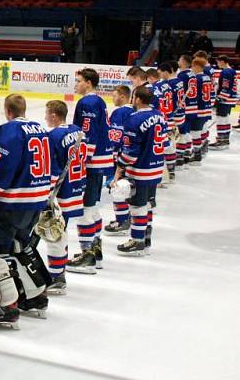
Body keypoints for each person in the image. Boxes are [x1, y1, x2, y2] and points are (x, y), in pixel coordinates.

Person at [0, 94, 51, 327]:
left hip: (10, 204)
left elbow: (2, 171)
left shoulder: (8, 131)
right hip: (35, 202)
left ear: (7, 111)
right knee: (20, 247)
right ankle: (36, 295)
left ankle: (7, 305)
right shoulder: (41, 130)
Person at [111, 86, 166, 256]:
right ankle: (146, 238)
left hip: (141, 169)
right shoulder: (159, 116)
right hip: (156, 167)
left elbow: (130, 151)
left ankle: (137, 241)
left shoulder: (134, 120)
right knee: (148, 204)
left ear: (138, 99)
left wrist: (119, 168)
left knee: (137, 206)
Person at [67, 68, 113, 274]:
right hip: (101, 160)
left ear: (88, 82)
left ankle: (88, 256)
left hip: (92, 162)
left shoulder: (86, 103)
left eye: (78, 81)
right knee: (92, 207)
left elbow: (88, 134)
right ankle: (95, 252)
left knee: (86, 208)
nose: (75, 85)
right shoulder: (99, 101)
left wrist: (82, 160)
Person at [43, 99, 87, 295]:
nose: (45, 117)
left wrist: (46, 196)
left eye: (47, 113)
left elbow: (52, 170)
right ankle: (57, 273)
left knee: (55, 233)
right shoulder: (77, 130)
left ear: (54, 115)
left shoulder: (53, 135)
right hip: (78, 187)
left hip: (62, 193)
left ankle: (57, 277)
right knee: (61, 231)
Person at [104, 85, 134, 235]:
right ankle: (128, 217)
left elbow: (114, 138)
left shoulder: (119, 112)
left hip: (121, 157)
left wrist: (112, 156)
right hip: (134, 157)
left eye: (115, 95)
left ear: (123, 96)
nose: (112, 98)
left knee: (117, 187)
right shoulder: (135, 110)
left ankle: (122, 221)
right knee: (129, 188)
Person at [189, 57, 213, 164]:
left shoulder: (197, 79)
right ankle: (201, 148)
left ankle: (197, 154)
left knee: (195, 132)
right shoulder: (207, 77)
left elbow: (194, 95)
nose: (191, 68)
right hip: (207, 108)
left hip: (199, 108)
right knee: (202, 129)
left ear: (197, 66)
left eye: (193, 66)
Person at [211, 55, 238, 149]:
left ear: (222, 61)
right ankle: (225, 139)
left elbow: (226, 86)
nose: (217, 64)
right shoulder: (232, 70)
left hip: (226, 99)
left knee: (221, 118)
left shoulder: (226, 71)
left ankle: (221, 140)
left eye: (218, 62)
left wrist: (220, 98)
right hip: (230, 98)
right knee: (225, 118)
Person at [176, 54, 195, 165]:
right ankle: (187, 152)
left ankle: (181, 156)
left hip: (185, 106)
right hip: (193, 105)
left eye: (179, 59)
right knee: (187, 131)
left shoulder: (182, 75)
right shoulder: (192, 74)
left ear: (183, 62)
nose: (178, 61)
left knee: (182, 132)